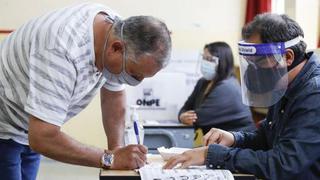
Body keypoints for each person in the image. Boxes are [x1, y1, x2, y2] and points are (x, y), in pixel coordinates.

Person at [0, 2, 171, 180]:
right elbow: (43, 137)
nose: (135, 82)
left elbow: (114, 96)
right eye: (135, 74)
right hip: (4, 124)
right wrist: (110, 158)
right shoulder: (61, 48)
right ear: (116, 48)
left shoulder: (115, 31)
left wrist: (117, 149)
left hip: (27, 126)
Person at [164, 13, 320, 179]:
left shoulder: (314, 94)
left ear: (287, 57)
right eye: (249, 61)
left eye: (258, 61)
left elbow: (284, 164)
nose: (253, 69)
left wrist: (212, 155)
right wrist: (234, 138)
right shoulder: (283, 82)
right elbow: (266, 139)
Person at [178, 42, 255, 136]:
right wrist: (181, 116)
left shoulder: (227, 87)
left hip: (239, 143)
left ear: (222, 62)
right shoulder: (203, 82)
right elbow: (185, 108)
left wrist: (183, 117)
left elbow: (198, 119)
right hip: (218, 143)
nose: (205, 62)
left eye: (209, 59)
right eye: (204, 58)